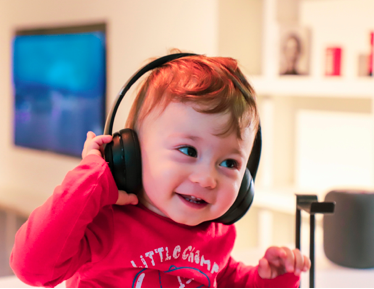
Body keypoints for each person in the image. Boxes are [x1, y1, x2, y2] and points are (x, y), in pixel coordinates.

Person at [10, 52, 310, 287]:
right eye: (187, 151)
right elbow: (32, 268)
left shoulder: (216, 234)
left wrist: (269, 278)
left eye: (229, 163)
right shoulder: (108, 224)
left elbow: (224, 277)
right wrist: (90, 180)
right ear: (129, 154)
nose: (207, 179)